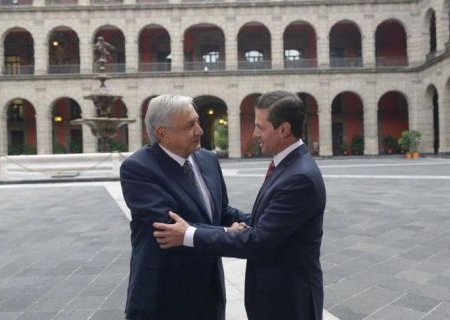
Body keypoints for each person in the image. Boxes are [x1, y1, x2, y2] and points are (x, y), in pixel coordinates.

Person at [153, 90, 326, 320]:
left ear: (283, 129)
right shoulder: (289, 166)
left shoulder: (299, 177)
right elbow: (267, 222)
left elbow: (257, 241)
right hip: (277, 297)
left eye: (260, 127)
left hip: (288, 302)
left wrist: (189, 234)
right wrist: (240, 221)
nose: (255, 133)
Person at [120, 94, 247, 320]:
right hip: (164, 297)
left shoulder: (207, 159)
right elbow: (168, 228)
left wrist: (263, 217)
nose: (200, 130)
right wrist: (228, 233)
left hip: (209, 293)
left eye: (197, 122)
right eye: (190, 125)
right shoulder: (138, 168)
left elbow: (221, 211)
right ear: (162, 133)